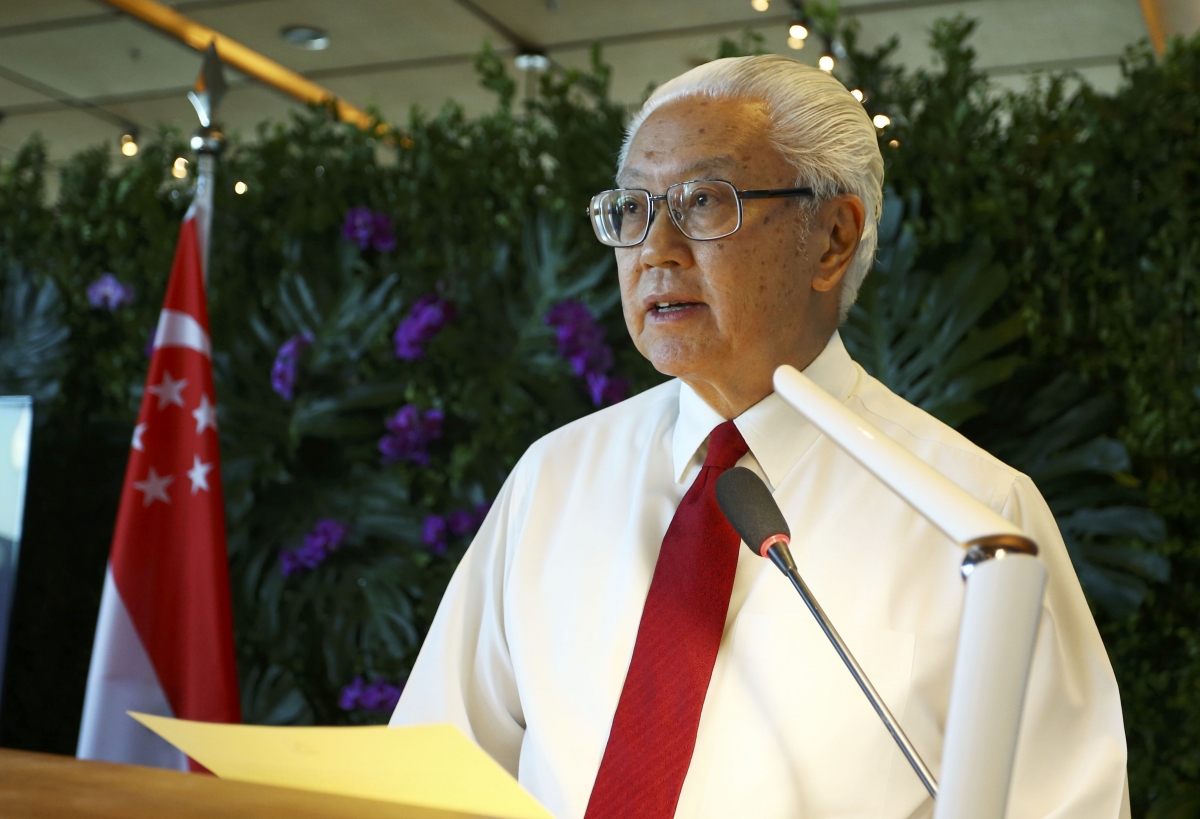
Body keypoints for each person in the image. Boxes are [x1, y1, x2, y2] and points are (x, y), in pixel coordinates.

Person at [391, 55, 1128, 819]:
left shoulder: (975, 516)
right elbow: (429, 773)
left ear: (833, 238)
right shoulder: (554, 479)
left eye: (705, 202)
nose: (656, 249)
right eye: (634, 209)